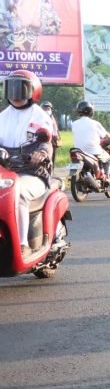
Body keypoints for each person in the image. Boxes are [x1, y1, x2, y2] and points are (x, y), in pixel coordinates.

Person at [0, 69, 54, 258]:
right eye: (11, 88)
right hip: (6, 173)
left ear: (32, 91)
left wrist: (41, 153)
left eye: (20, 89)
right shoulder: (2, 116)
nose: (15, 94)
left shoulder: (40, 116)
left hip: (32, 172)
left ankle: (23, 244)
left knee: (19, 193)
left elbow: (46, 141)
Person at [71, 100, 110, 183]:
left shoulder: (74, 124)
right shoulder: (95, 123)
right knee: (108, 159)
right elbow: (106, 136)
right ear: (90, 111)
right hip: (93, 151)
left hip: (78, 152)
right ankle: (106, 177)